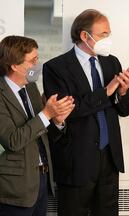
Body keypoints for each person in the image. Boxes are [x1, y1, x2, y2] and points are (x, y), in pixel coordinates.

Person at [42, 9, 129, 216]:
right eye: (103, 34)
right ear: (85, 35)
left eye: (109, 34)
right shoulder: (56, 68)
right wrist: (106, 91)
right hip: (76, 161)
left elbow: (125, 110)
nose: (108, 39)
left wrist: (123, 92)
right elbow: (68, 111)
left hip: (110, 159)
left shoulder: (112, 62)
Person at [0, 36, 74, 216]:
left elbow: (41, 131)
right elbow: (13, 140)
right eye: (33, 61)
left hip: (42, 180)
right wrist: (46, 114)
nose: (37, 65)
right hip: (15, 188)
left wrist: (57, 120)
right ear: (15, 66)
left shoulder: (31, 88)